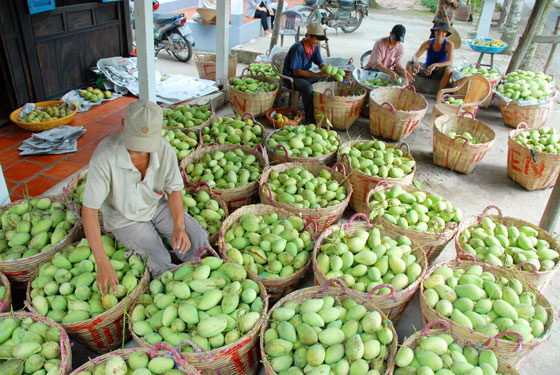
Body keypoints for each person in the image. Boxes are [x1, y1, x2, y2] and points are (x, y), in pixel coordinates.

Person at [82, 100, 211, 294]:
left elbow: (174, 190)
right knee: (159, 261)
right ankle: (182, 296)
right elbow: (89, 211)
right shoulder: (105, 157)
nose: (140, 150)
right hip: (125, 219)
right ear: (123, 125)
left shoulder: (164, 149)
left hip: (156, 206)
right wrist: (102, 262)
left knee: (197, 239)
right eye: (135, 142)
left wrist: (179, 226)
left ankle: (209, 283)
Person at [283, 23, 329, 124]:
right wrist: (316, 75)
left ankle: (320, 111)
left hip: (304, 75)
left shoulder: (314, 47)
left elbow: (319, 62)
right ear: (308, 36)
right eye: (316, 39)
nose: (318, 42)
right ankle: (309, 118)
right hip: (291, 77)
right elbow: (297, 71)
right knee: (307, 87)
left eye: (319, 40)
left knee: (326, 79)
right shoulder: (298, 48)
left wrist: (325, 68)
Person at [407, 21, 454, 91]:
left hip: (439, 70)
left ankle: (440, 93)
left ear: (446, 33)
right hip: (426, 67)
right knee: (409, 63)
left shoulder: (449, 44)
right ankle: (409, 87)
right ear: (434, 32)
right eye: (438, 31)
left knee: (449, 70)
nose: (440, 33)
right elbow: (415, 55)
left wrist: (435, 65)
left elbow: (450, 62)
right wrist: (416, 62)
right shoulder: (428, 43)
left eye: (443, 32)